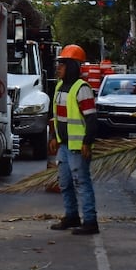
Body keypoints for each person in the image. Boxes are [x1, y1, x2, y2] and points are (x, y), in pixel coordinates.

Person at [47, 44, 100, 235]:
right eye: (58, 64)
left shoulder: (82, 88)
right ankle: (72, 216)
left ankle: (90, 221)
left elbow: (91, 118)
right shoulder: (60, 87)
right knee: (65, 183)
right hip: (64, 144)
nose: (58, 68)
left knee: (82, 183)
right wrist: (54, 136)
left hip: (78, 146)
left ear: (72, 66)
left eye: (62, 64)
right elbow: (57, 116)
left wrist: (87, 142)